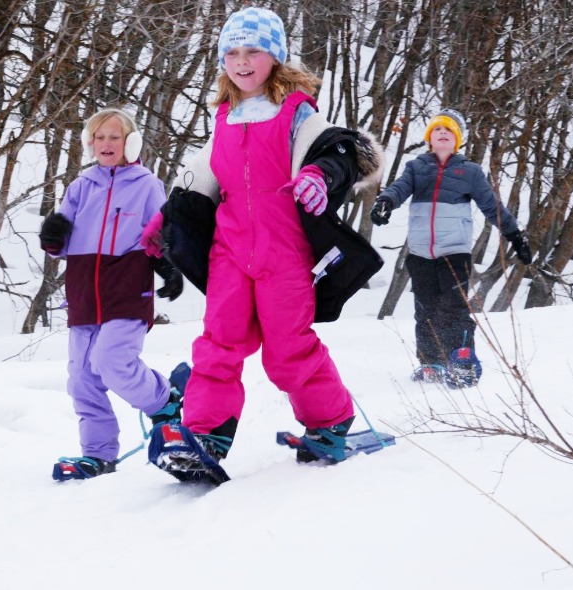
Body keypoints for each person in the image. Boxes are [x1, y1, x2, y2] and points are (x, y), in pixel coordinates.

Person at [140, 7, 386, 477]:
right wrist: (162, 221)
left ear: (275, 56)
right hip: (230, 251)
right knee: (218, 343)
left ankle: (331, 421)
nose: (242, 61)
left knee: (287, 350)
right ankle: (204, 434)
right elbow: (199, 180)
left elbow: (335, 151)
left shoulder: (297, 112)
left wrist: (317, 176)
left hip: (285, 252)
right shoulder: (226, 118)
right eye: (231, 52)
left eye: (253, 50)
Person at [38, 108, 185, 481]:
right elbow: (62, 241)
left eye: (114, 137)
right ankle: (98, 454)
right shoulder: (81, 186)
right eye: (99, 137)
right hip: (85, 289)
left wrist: (168, 264)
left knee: (112, 360)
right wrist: (53, 237)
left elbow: (158, 232)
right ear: (91, 144)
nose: (107, 144)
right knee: (82, 378)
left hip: (127, 285)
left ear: (130, 142)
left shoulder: (146, 184)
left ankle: (163, 400)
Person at [371, 110, 533, 388]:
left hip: (454, 252)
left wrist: (514, 235)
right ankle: (431, 362)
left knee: (454, 307)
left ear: (456, 140)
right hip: (420, 252)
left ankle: (462, 360)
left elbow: (491, 206)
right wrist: (385, 201)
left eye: (449, 130)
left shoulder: (468, 171)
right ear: (429, 138)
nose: (443, 133)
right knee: (425, 309)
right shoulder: (416, 167)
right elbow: (399, 188)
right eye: (437, 130)